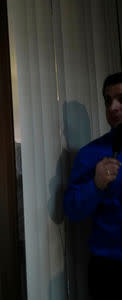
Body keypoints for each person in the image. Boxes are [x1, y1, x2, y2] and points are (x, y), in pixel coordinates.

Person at [64, 71, 122, 299]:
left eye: (121, 99)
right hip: (110, 271)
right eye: (108, 101)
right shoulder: (89, 155)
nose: (113, 107)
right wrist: (95, 185)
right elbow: (72, 210)